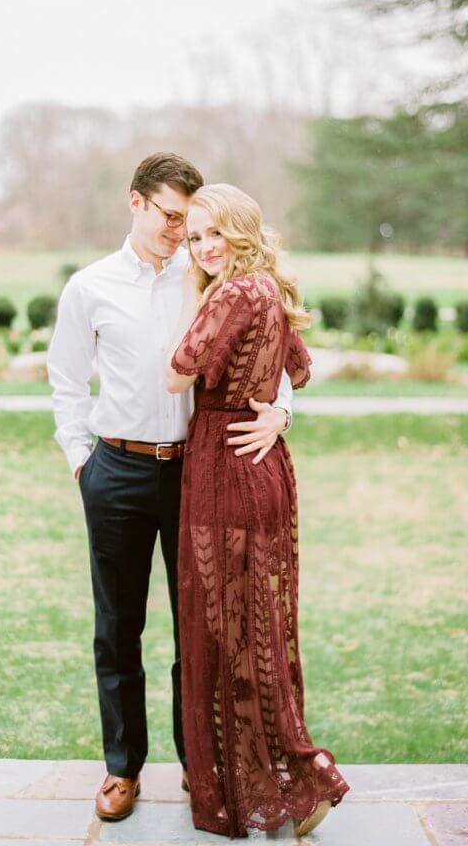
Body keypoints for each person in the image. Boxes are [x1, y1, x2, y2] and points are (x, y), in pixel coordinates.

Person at [47, 154, 296, 823]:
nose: (182, 232)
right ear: (136, 203)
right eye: (171, 217)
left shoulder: (218, 281)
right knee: (117, 627)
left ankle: (202, 768)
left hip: (200, 473)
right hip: (118, 472)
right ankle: (122, 768)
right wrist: (80, 459)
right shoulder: (90, 286)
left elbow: (281, 352)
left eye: (191, 222)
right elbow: (66, 379)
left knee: (205, 631)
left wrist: (280, 411)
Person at [165, 183, 350, 838]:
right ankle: (267, 780)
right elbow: (299, 368)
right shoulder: (262, 289)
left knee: (236, 633)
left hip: (228, 468)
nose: (205, 247)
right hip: (253, 461)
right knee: (246, 630)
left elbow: (178, 370)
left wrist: (193, 293)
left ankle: (304, 778)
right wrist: (277, 411)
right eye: (195, 237)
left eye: (215, 233)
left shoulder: (239, 291)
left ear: (242, 230)